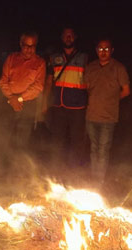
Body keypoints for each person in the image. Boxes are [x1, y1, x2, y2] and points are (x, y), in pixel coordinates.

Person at [84, 38, 130, 184]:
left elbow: (126, 91)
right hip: (91, 115)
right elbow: (86, 87)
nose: (103, 52)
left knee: (103, 150)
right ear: (96, 50)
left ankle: (99, 182)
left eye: (106, 49)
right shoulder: (91, 67)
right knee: (93, 149)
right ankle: (93, 178)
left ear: (112, 50)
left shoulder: (119, 68)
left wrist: (112, 100)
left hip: (108, 117)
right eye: (100, 49)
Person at [44, 28, 89, 169]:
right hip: (58, 105)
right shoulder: (54, 57)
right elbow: (49, 81)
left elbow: (91, 81)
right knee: (56, 140)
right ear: (61, 38)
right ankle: (54, 170)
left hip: (77, 106)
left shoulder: (84, 58)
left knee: (77, 141)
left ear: (75, 37)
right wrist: (45, 103)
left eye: (70, 36)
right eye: (65, 36)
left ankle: (74, 171)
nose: (68, 38)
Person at [0, 31, 45, 151]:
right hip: (8, 104)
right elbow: (3, 81)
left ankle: (19, 167)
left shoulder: (40, 63)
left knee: (22, 141)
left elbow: (38, 87)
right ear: (20, 44)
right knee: (3, 138)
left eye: (32, 46)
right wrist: (11, 98)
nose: (29, 50)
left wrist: (18, 98)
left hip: (27, 106)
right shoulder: (11, 58)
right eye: (26, 46)